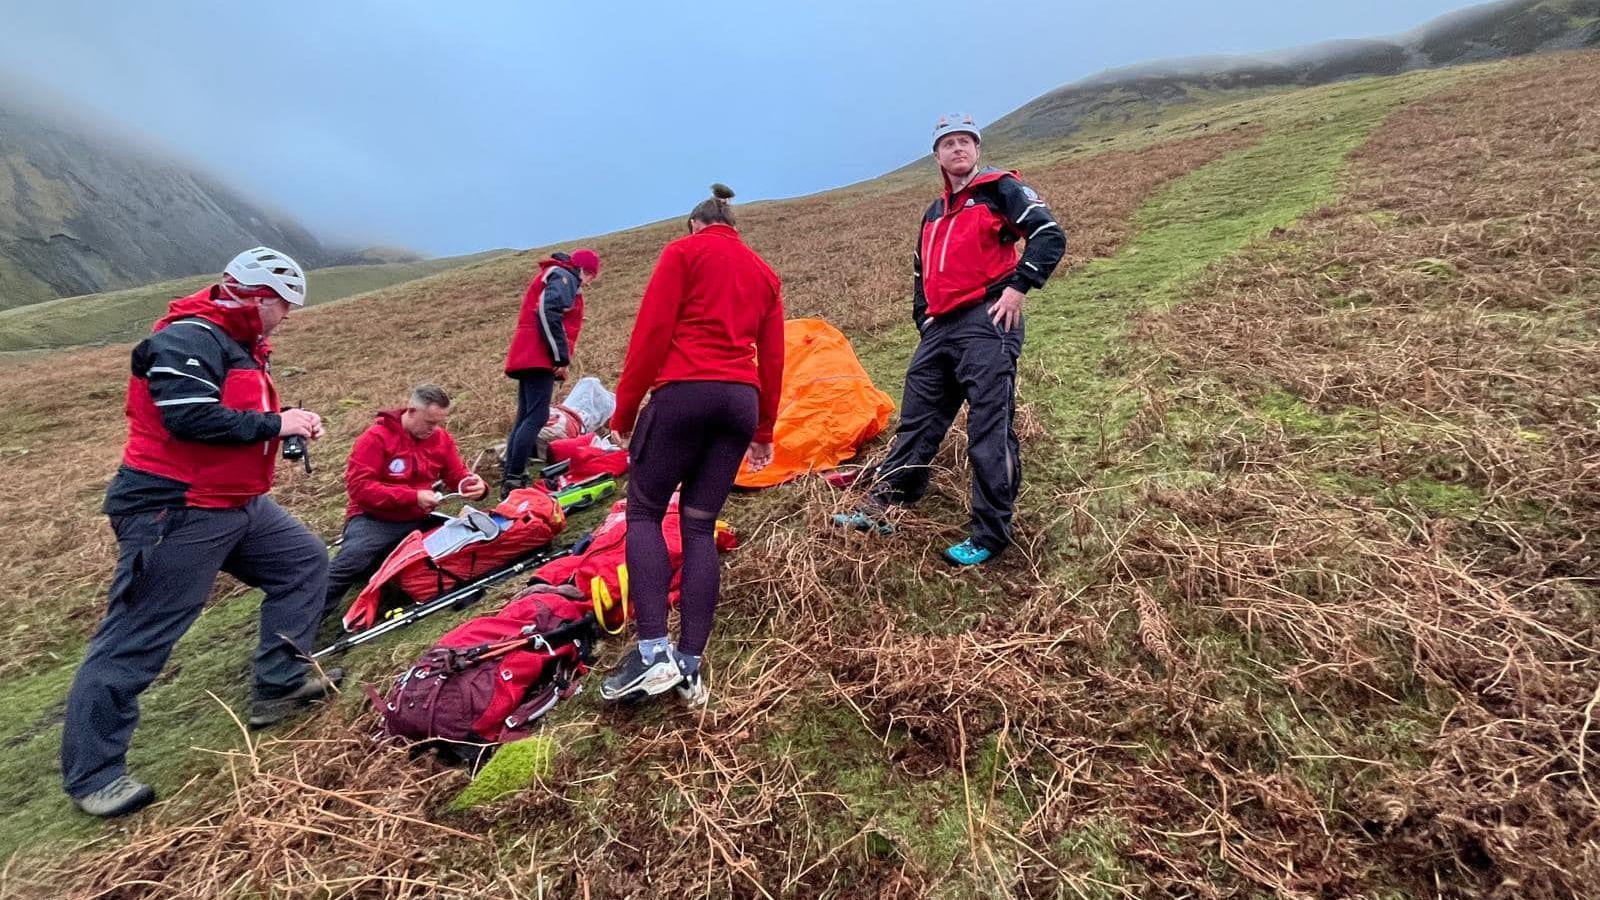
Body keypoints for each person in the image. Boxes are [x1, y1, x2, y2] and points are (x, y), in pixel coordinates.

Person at [61, 247, 336, 818]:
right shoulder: (189, 338)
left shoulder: (237, 345)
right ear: (260, 300)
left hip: (236, 503)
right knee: (138, 637)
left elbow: (231, 417)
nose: (288, 317)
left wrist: (284, 429)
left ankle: (280, 684)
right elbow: (188, 417)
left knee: (304, 563)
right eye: (284, 306)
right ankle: (94, 775)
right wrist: (276, 422)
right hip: (176, 509)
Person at [834, 115, 1066, 566]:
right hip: (940, 328)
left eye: (965, 142)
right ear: (937, 156)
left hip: (987, 320)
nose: (958, 149)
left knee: (988, 428)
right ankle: (886, 502)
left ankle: (989, 534)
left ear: (976, 150)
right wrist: (924, 319)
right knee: (917, 421)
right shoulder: (934, 211)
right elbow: (921, 269)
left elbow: (1048, 234)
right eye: (948, 144)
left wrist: (1018, 287)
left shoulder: (1001, 189)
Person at [600, 184, 783, 707]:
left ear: (696, 226)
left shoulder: (683, 252)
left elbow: (651, 333)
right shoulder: (765, 274)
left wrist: (626, 410)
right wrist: (763, 430)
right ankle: (690, 665)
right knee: (699, 526)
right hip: (739, 402)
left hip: (684, 393)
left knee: (644, 513)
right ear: (734, 228)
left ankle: (653, 652)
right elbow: (772, 358)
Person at [322, 384, 488, 616]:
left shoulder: (440, 438)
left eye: (438, 422)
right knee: (351, 561)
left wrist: (473, 486)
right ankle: (299, 628)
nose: (434, 429)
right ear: (410, 411)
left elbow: (456, 474)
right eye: (429, 422)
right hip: (374, 519)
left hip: (419, 518)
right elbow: (360, 489)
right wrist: (412, 497)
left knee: (475, 536)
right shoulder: (375, 439)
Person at [502, 249, 601, 498]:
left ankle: (513, 472)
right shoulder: (564, 277)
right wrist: (559, 356)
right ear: (585, 271)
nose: (588, 284)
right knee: (536, 416)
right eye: (590, 277)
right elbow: (548, 312)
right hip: (538, 354)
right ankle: (513, 478)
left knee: (525, 415)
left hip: (527, 352)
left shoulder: (555, 273)